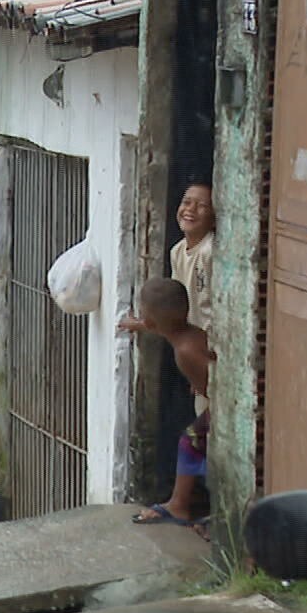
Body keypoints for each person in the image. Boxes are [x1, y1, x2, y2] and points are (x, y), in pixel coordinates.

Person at [120, 183, 216, 406]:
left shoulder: (211, 252)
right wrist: (144, 323)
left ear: (213, 218)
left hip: (209, 347)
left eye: (201, 205)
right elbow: (172, 309)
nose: (190, 209)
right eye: (186, 202)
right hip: (195, 342)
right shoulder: (178, 251)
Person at [131, 277, 213, 530]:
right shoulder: (191, 334)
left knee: (189, 440)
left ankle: (179, 505)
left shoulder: (183, 353)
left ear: (150, 323)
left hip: (221, 409)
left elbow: (210, 389)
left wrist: (199, 385)